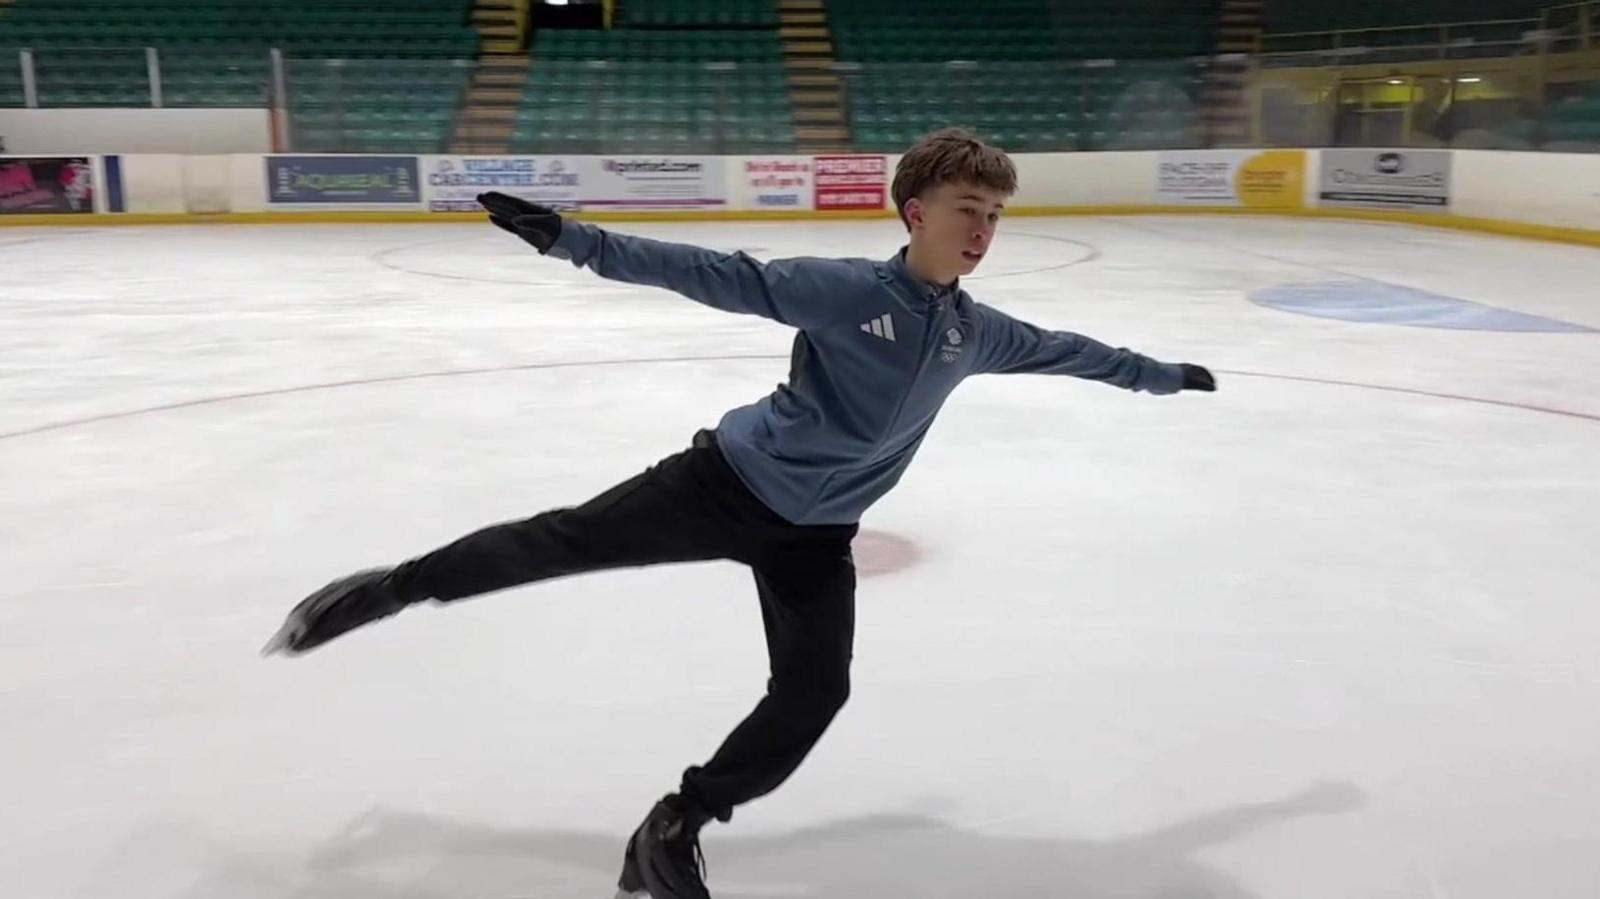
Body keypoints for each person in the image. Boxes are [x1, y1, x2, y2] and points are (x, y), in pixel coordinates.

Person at [262, 127, 1216, 899]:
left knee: (815, 691)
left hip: (816, 535)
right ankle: (394, 587)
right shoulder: (848, 291)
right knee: (562, 541)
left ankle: (677, 823)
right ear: (917, 211)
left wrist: (1160, 376)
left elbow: (1067, 349)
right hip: (723, 484)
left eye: (997, 215)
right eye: (971, 209)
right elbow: (718, 273)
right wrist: (572, 240)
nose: (984, 230)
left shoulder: (975, 331)